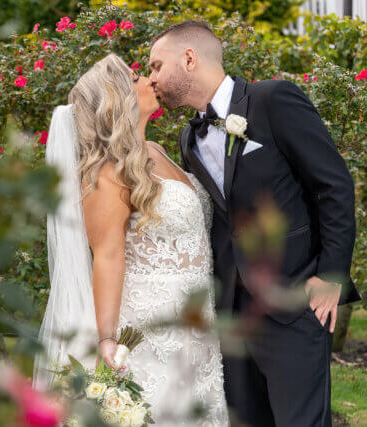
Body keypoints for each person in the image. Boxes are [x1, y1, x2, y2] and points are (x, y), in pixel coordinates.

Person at [147, 20, 360, 427]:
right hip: (231, 314)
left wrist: (331, 274)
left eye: (157, 66)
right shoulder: (187, 140)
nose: (151, 77)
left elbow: (333, 185)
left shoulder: (273, 99)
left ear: (189, 58)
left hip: (294, 301)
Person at [34, 53, 229, 426]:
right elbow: (108, 256)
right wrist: (106, 338)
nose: (150, 80)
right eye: (138, 76)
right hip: (149, 326)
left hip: (196, 319)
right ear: (118, 99)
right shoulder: (106, 173)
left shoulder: (155, 150)